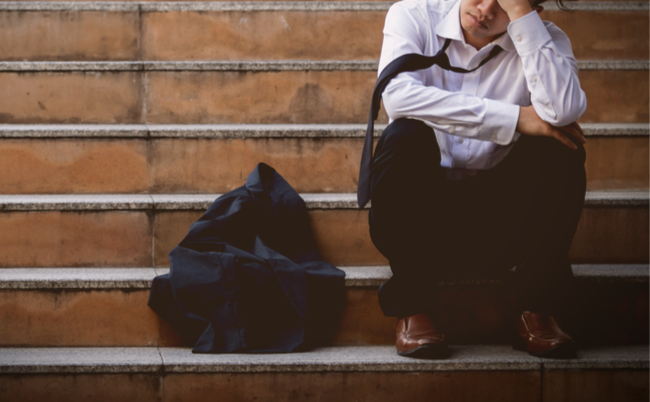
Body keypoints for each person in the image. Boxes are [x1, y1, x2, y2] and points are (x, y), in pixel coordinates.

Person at [365, 0, 588, 359]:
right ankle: (415, 306)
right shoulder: (413, 16)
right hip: (420, 219)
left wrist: (523, 20)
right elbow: (397, 98)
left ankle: (536, 307)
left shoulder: (546, 39)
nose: (484, 9)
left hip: (504, 222)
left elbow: (563, 110)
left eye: (505, 2)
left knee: (560, 146)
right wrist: (515, 118)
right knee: (403, 136)